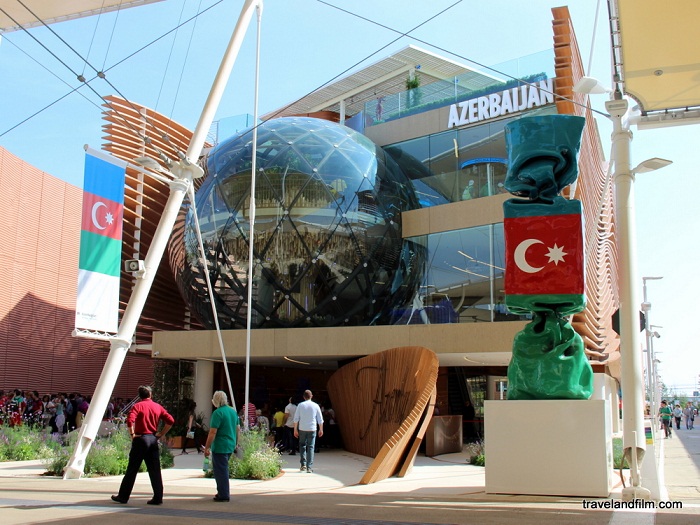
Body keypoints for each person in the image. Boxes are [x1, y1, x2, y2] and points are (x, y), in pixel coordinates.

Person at [111, 385, 174, 506]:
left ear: (140, 396)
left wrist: (132, 434)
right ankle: (158, 497)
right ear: (150, 394)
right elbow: (170, 420)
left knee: (132, 469)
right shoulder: (157, 406)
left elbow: (130, 421)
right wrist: (161, 433)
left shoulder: (137, 406)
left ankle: (123, 496)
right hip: (152, 438)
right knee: (155, 469)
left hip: (141, 438)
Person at [204, 391, 240, 502]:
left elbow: (212, 432)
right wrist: (236, 443)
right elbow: (237, 428)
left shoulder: (218, 413)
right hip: (230, 444)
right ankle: (222, 491)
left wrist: (207, 447)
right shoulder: (233, 412)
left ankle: (223, 494)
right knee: (223, 469)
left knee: (220, 471)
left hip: (220, 446)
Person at [293, 390, 324, 473]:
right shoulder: (316, 405)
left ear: (304, 397)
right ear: (312, 396)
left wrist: (295, 429)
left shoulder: (300, 405)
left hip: (302, 428)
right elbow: (320, 419)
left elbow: (296, 418)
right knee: (311, 447)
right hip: (312, 428)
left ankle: (303, 464)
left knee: (302, 445)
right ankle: (309, 467)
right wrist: (321, 429)